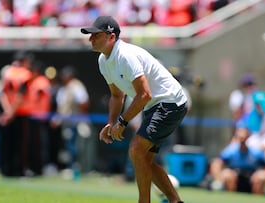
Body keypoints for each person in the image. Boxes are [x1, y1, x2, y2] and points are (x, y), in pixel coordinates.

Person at [80, 16, 188, 203]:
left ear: (111, 37)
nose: (91, 39)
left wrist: (122, 122)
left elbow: (144, 95)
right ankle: (176, 201)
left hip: (170, 103)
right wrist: (110, 122)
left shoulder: (126, 56)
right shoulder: (103, 61)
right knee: (143, 158)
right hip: (155, 105)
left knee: (136, 150)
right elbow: (116, 95)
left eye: (96, 35)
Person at [209, 125, 265, 194]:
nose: (242, 140)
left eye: (244, 138)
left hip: (251, 180)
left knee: (261, 176)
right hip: (235, 179)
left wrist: (264, 177)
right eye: (240, 137)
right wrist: (218, 179)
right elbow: (217, 163)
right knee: (227, 174)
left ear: (248, 137)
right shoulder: (231, 150)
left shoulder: (256, 152)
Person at [50, 65, 90, 171]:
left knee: (75, 145)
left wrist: (81, 117)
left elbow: (84, 102)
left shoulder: (76, 86)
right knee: (68, 145)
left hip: (75, 121)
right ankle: (71, 166)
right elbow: (62, 107)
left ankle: (75, 168)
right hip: (66, 122)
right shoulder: (64, 88)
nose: (63, 77)